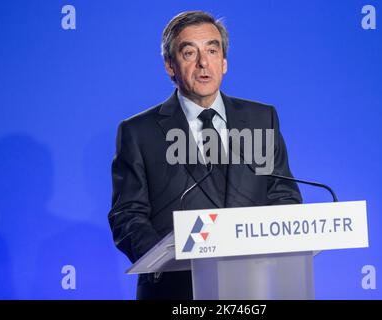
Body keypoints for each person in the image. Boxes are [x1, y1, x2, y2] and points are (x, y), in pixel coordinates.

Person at [108, 10, 302, 300]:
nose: (203, 62)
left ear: (224, 62)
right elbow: (128, 215)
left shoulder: (262, 118)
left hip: (253, 287)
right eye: (189, 53)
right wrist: (168, 260)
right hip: (175, 291)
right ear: (170, 66)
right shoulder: (139, 132)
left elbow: (284, 196)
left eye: (212, 50)